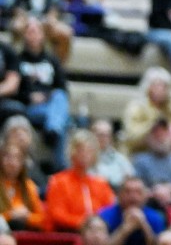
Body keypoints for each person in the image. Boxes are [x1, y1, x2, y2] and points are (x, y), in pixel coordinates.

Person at [13, 17, 70, 170]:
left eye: (36, 31)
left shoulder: (52, 60)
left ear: (43, 35)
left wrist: (48, 96)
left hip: (50, 105)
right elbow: (13, 90)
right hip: (29, 108)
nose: (33, 34)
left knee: (59, 97)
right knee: (65, 120)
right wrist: (29, 97)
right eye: (29, 31)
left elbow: (63, 88)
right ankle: (61, 166)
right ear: (24, 35)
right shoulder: (18, 60)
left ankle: (53, 129)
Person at [45, 131, 116, 233]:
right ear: (72, 152)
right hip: (68, 234)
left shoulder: (101, 184)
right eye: (81, 150)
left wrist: (97, 226)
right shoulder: (58, 181)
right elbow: (57, 214)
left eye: (89, 150)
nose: (85, 154)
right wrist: (84, 224)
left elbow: (110, 211)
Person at [98, 176, 166, 245]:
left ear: (146, 195)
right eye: (127, 192)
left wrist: (144, 225)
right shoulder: (105, 216)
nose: (133, 196)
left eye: (138, 192)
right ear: (119, 195)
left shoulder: (155, 217)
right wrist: (125, 229)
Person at [0, 142, 46, 231]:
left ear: (22, 163)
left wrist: (27, 216)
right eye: (8, 157)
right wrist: (11, 215)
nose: (12, 163)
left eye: (16, 158)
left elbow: (42, 220)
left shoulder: (29, 186)